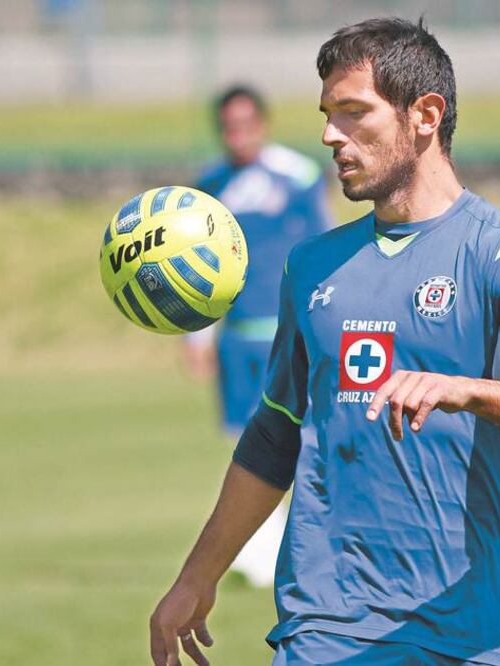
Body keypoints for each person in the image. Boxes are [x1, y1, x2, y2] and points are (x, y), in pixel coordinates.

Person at [152, 17, 500, 666]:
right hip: (320, 623)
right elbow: (275, 432)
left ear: (425, 115)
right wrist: (197, 577)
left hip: (461, 628)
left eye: (352, 113)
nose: (328, 136)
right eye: (325, 113)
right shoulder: (311, 267)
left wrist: (466, 391)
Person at [185, 85, 332, 587]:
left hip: (287, 334)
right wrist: (197, 338)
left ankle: (308, 541)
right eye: (228, 126)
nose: (237, 134)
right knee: (243, 440)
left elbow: (321, 247)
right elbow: (197, 269)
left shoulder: (298, 176)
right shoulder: (208, 187)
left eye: (245, 123)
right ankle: (262, 548)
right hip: (236, 337)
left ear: (262, 124)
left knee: (296, 439)